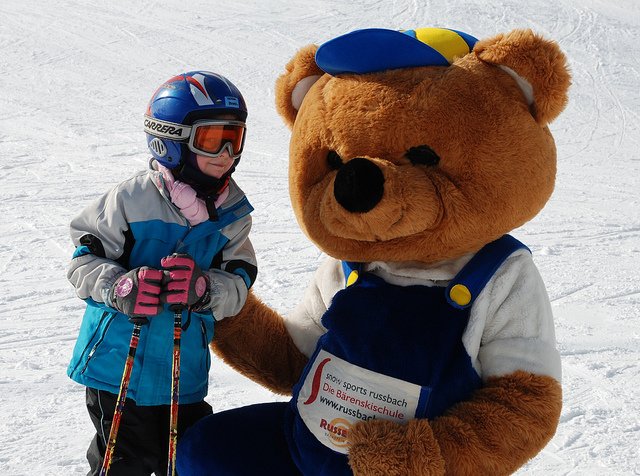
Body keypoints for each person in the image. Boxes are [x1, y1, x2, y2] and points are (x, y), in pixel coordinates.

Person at [66, 71, 257, 475]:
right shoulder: (131, 199)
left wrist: (205, 288)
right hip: (118, 369)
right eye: (211, 139)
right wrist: (120, 286)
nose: (226, 152)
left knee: (189, 462)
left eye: (234, 138)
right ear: (169, 139)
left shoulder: (233, 214)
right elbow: (82, 260)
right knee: (126, 464)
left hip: (183, 370)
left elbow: (240, 281)